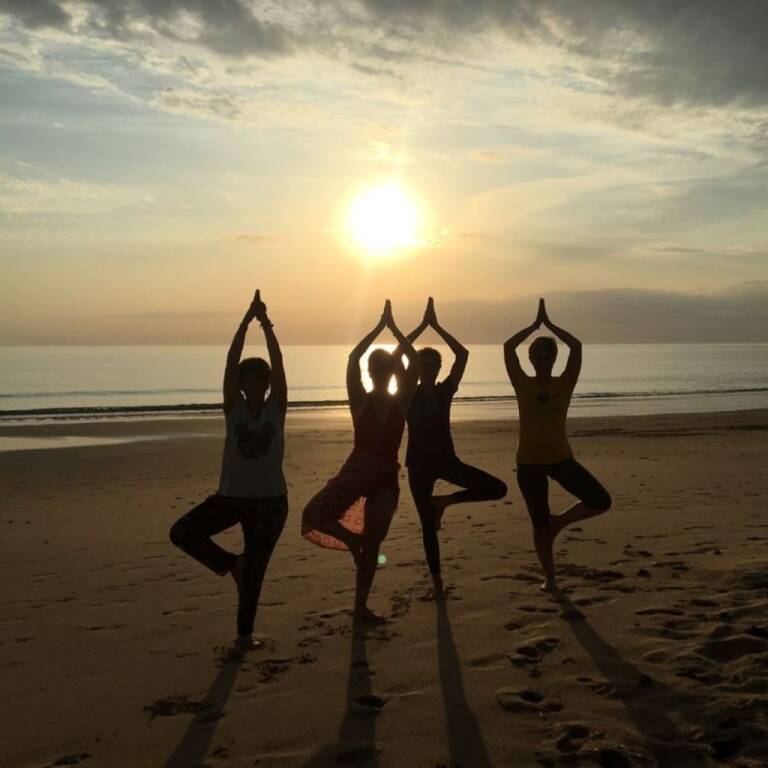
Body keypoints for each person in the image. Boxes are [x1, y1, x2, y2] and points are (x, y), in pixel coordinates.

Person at [169, 289, 288, 648]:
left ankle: (243, 637)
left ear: (267, 385)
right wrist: (244, 322)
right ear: (241, 384)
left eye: (261, 380)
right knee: (183, 533)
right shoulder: (232, 408)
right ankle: (230, 565)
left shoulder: (276, 408)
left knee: (257, 571)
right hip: (231, 497)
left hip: (270, 502)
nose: (256, 384)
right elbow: (229, 361)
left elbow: (278, 362)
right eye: (248, 379)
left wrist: (265, 324)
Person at [302, 300, 419, 623]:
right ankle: (353, 541)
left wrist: (395, 331)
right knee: (313, 514)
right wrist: (378, 328)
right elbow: (353, 358)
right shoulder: (359, 400)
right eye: (376, 370)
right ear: (370, 373)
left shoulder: (402, 402)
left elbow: (415, 364)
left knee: (374, 542)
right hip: (356, 470)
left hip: (384, 476)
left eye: (386, 369)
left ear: (392, 373)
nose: (380, 374)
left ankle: (360, 608)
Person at [400, 297, 507, 598]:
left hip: (447, 460)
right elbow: (399, 354)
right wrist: (421, 327)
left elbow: (463, 354)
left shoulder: (446, 390)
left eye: (433, 364)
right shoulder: (409, 394)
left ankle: (445, 502)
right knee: (426, 527)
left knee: (497, 488)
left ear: (439, 368)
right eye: (423, 364)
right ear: (416, 368)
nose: (429, 368)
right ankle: (437, 584)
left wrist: (437, 326)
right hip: (418, 465)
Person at [504, 298, 611, 592]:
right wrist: (532, 327)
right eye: (537, 358)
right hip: (528, 463)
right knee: (539, 524)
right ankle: (550, 579)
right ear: (531, 361)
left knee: (601, 500)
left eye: (546, 358)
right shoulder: (521, 383)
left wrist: (549, 326)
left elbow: (576, 347)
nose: (541, 363)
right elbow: (507, 348)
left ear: (553, 360)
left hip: (560, 459)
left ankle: (559, 523)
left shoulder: (564, 383)